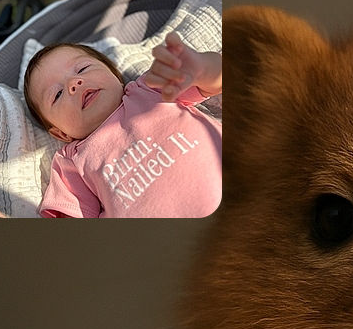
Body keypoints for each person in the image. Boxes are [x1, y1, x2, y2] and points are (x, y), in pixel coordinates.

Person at [23, 32, 222, 217]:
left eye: (82, 69)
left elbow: (219, 79)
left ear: (115, 75)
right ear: (61, 134)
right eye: (57, 94)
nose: (74, 83)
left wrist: (201, 68)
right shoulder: (71, 161)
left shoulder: (150, 88)